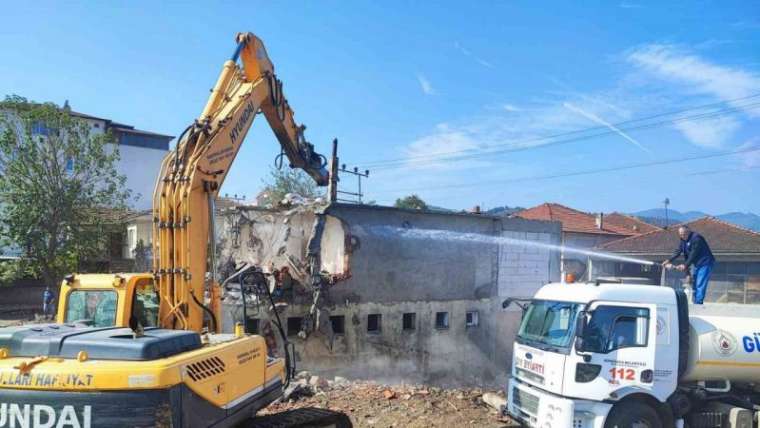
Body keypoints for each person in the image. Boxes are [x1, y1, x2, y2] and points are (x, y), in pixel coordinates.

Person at [662, 225, 715, 304]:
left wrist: (685, 265)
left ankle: (698, 303)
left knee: (700, 283)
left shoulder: (696, 238)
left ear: (688, 231)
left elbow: (693, 254)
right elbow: (678, 251)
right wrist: (668, 260)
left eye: (684, 233)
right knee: (694, 284)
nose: (682, 235)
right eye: (680, 234)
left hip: (705, 263)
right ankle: (695, 301)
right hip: (697, 265)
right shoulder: (683, 241)